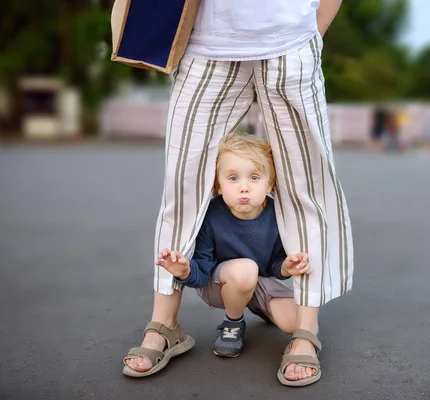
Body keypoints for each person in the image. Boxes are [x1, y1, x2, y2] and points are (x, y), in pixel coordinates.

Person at [122, 0, 354, 387]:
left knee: (305, 188)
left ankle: (305, 330)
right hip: (207, 43)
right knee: (183, 185)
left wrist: (313, 29)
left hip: (290, 38)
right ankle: (164, 325)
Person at [149, 132, 311, 358]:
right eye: (233, 178)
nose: (244, 187)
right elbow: (202, 273)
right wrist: (185, 271)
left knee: (295, 324)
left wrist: (284, 268)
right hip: (219, 284)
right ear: (218, 185)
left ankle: (254, 302)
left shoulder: (277, 214)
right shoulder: (211, 215)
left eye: (254, 177)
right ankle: (233, 322)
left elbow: (275, 263)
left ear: (270, 184)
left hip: (259, 282)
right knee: (245, 270)